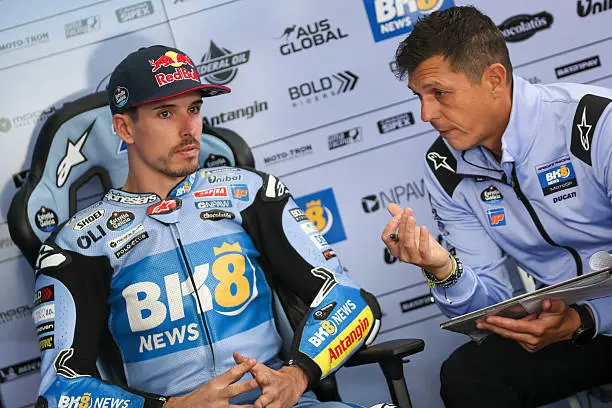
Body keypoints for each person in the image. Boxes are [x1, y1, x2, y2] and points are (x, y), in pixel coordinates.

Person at [33, 44, 384, 408]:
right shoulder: (78, 243)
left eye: (194, 109)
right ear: (125, 127)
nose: (189, 129)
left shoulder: (249, 193)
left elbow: (353, 303)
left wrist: (296, 377)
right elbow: (59, 390)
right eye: (166, 113)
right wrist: (173, 407)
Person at [382, 5, 612, 408]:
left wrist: (591, 317)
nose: (426, 114)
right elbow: (490, 312)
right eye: (419, 97)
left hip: (593, 318)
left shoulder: (596, 122)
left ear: (494, 78)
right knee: (468, 375)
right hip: (567, 327)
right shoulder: (445, 167)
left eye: (439, 93)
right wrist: (444, 270)